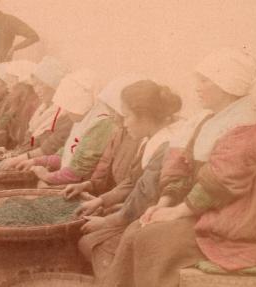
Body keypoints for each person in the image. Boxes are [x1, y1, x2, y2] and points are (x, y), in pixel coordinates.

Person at [100, 48, 256, 287]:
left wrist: (177, 212)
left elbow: (219, 184)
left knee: (154, 240)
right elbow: (179, 165)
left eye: (205, 80)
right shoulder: (207, 121)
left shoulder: (246, 128)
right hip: (211, 211)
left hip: (239, 219)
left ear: (226, 84)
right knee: (137, 228)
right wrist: (163, 203)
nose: (197, 87)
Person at [74, 79, 183, 279]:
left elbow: (143, 197)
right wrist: (101, 200)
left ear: (145, 115)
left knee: (95, 245)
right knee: (86, 240)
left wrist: (106, 222)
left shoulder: (166, 145)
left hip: (162, 219)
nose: (124, 123)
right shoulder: (149, 139)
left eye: (126, 116)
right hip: (143, 211)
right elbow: (133, 181)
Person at [21, 70, 118, 188]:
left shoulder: (101, 123)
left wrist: (46, 176)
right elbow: (67, 152)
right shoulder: (83, 118)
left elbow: (78, 171)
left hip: (80, 188)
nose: (65, 112)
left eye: (69, 107)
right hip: (68, 183)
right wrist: (36, 161)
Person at [61, 75, 149, 202]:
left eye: (115, 112)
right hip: (111, 198)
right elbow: (103, 169)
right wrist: (86, 185)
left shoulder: (141, 140)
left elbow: (133, 186)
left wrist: (105, 205)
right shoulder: (118, 134)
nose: (112, 117)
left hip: (125, 204)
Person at [0, 57, 73, 169]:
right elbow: (32, 140)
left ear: (55, 86)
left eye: (41, 85)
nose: (37, 90)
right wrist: (18, 153)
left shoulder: (65, 114)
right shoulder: (42, 110)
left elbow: (50, 147)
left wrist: (20, 157)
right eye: (35, 85)